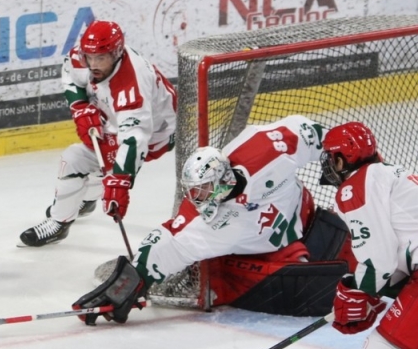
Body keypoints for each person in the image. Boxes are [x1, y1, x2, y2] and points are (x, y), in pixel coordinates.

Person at [72, 114, 355, 324]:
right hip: (275, 257)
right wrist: (126, 285)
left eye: (203, 188)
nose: (197, 197)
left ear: (222, 177)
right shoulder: (203, 217)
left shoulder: (264, 149)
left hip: (311, 220)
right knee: (310, 292)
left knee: (373, 257)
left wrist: (342, 161)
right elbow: (167, 242)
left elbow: (311, 134)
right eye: (192, 190)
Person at [18, 20, 177, 247]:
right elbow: (70, 73)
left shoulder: (131, 88)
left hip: (154, 134)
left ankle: (59, 221)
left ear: (117, 53)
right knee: (97, 160)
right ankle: (83, 202)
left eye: (100, 58)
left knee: (76, 160)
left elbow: (135, 138)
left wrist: (120, 183)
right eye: (89, 57)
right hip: (117, 116)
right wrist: (80, 106)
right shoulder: (85, 57)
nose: (92, 64)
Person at [317, 122, 418, 349]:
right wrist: (366, 292)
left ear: (343, 159)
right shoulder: (387, 174)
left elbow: (380, 259)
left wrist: (362, 294)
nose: (328, 166)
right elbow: (398, 255)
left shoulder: (355, 186)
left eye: (331, 158)